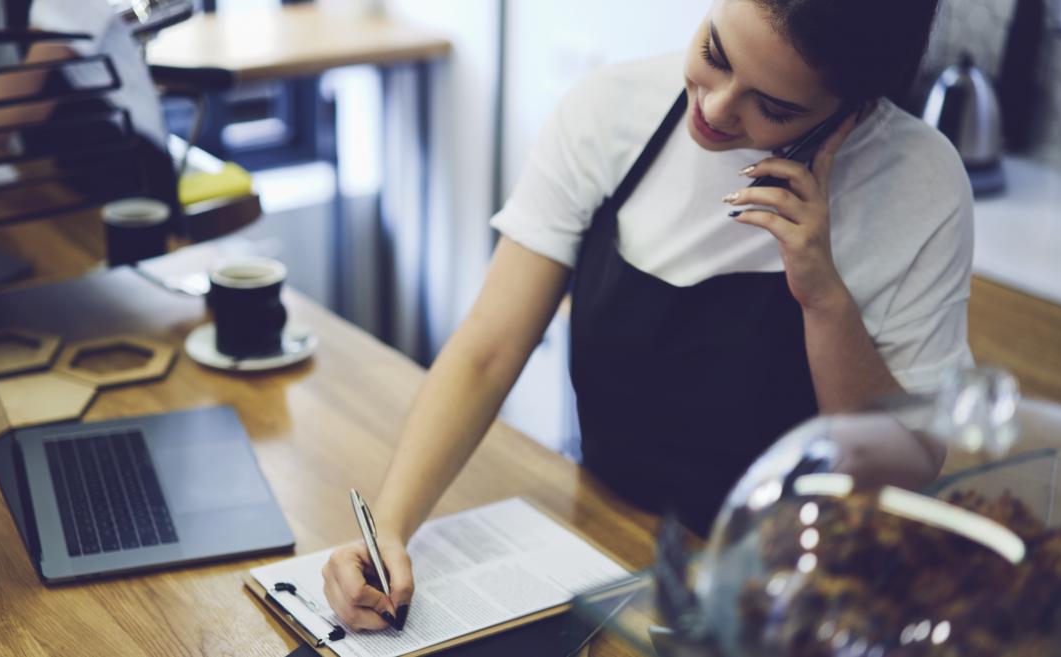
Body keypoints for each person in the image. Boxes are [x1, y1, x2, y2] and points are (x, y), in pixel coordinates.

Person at [322, 0, 972, 632]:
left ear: (853, 110)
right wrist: (388, 531)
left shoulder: (918, 184)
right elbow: (487, 352)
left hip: (794, 599)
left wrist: (823, 296)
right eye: (714, 52)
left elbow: (901, 471)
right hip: (605, 543)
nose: (715, 109)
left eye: (773, 107)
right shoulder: (609, 111)